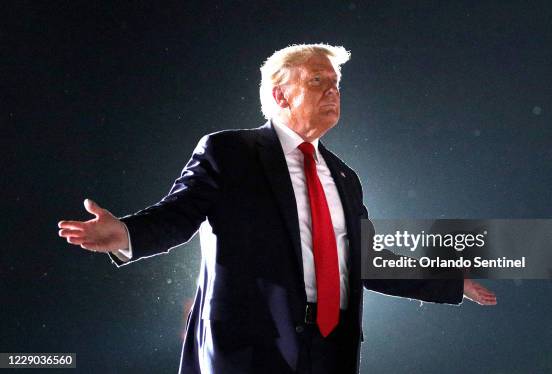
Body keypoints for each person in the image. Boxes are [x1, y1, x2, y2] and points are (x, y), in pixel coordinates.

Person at [58, 44, 496, 374]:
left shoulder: (344, 177)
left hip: (331, 348)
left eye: (336, 84)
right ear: (280, 95)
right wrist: (127, 235)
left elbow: (367, 260)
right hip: (249, 347)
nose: (332, 92)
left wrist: (449, 283)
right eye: (317, 81)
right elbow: (178, 214)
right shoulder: (229, 151)